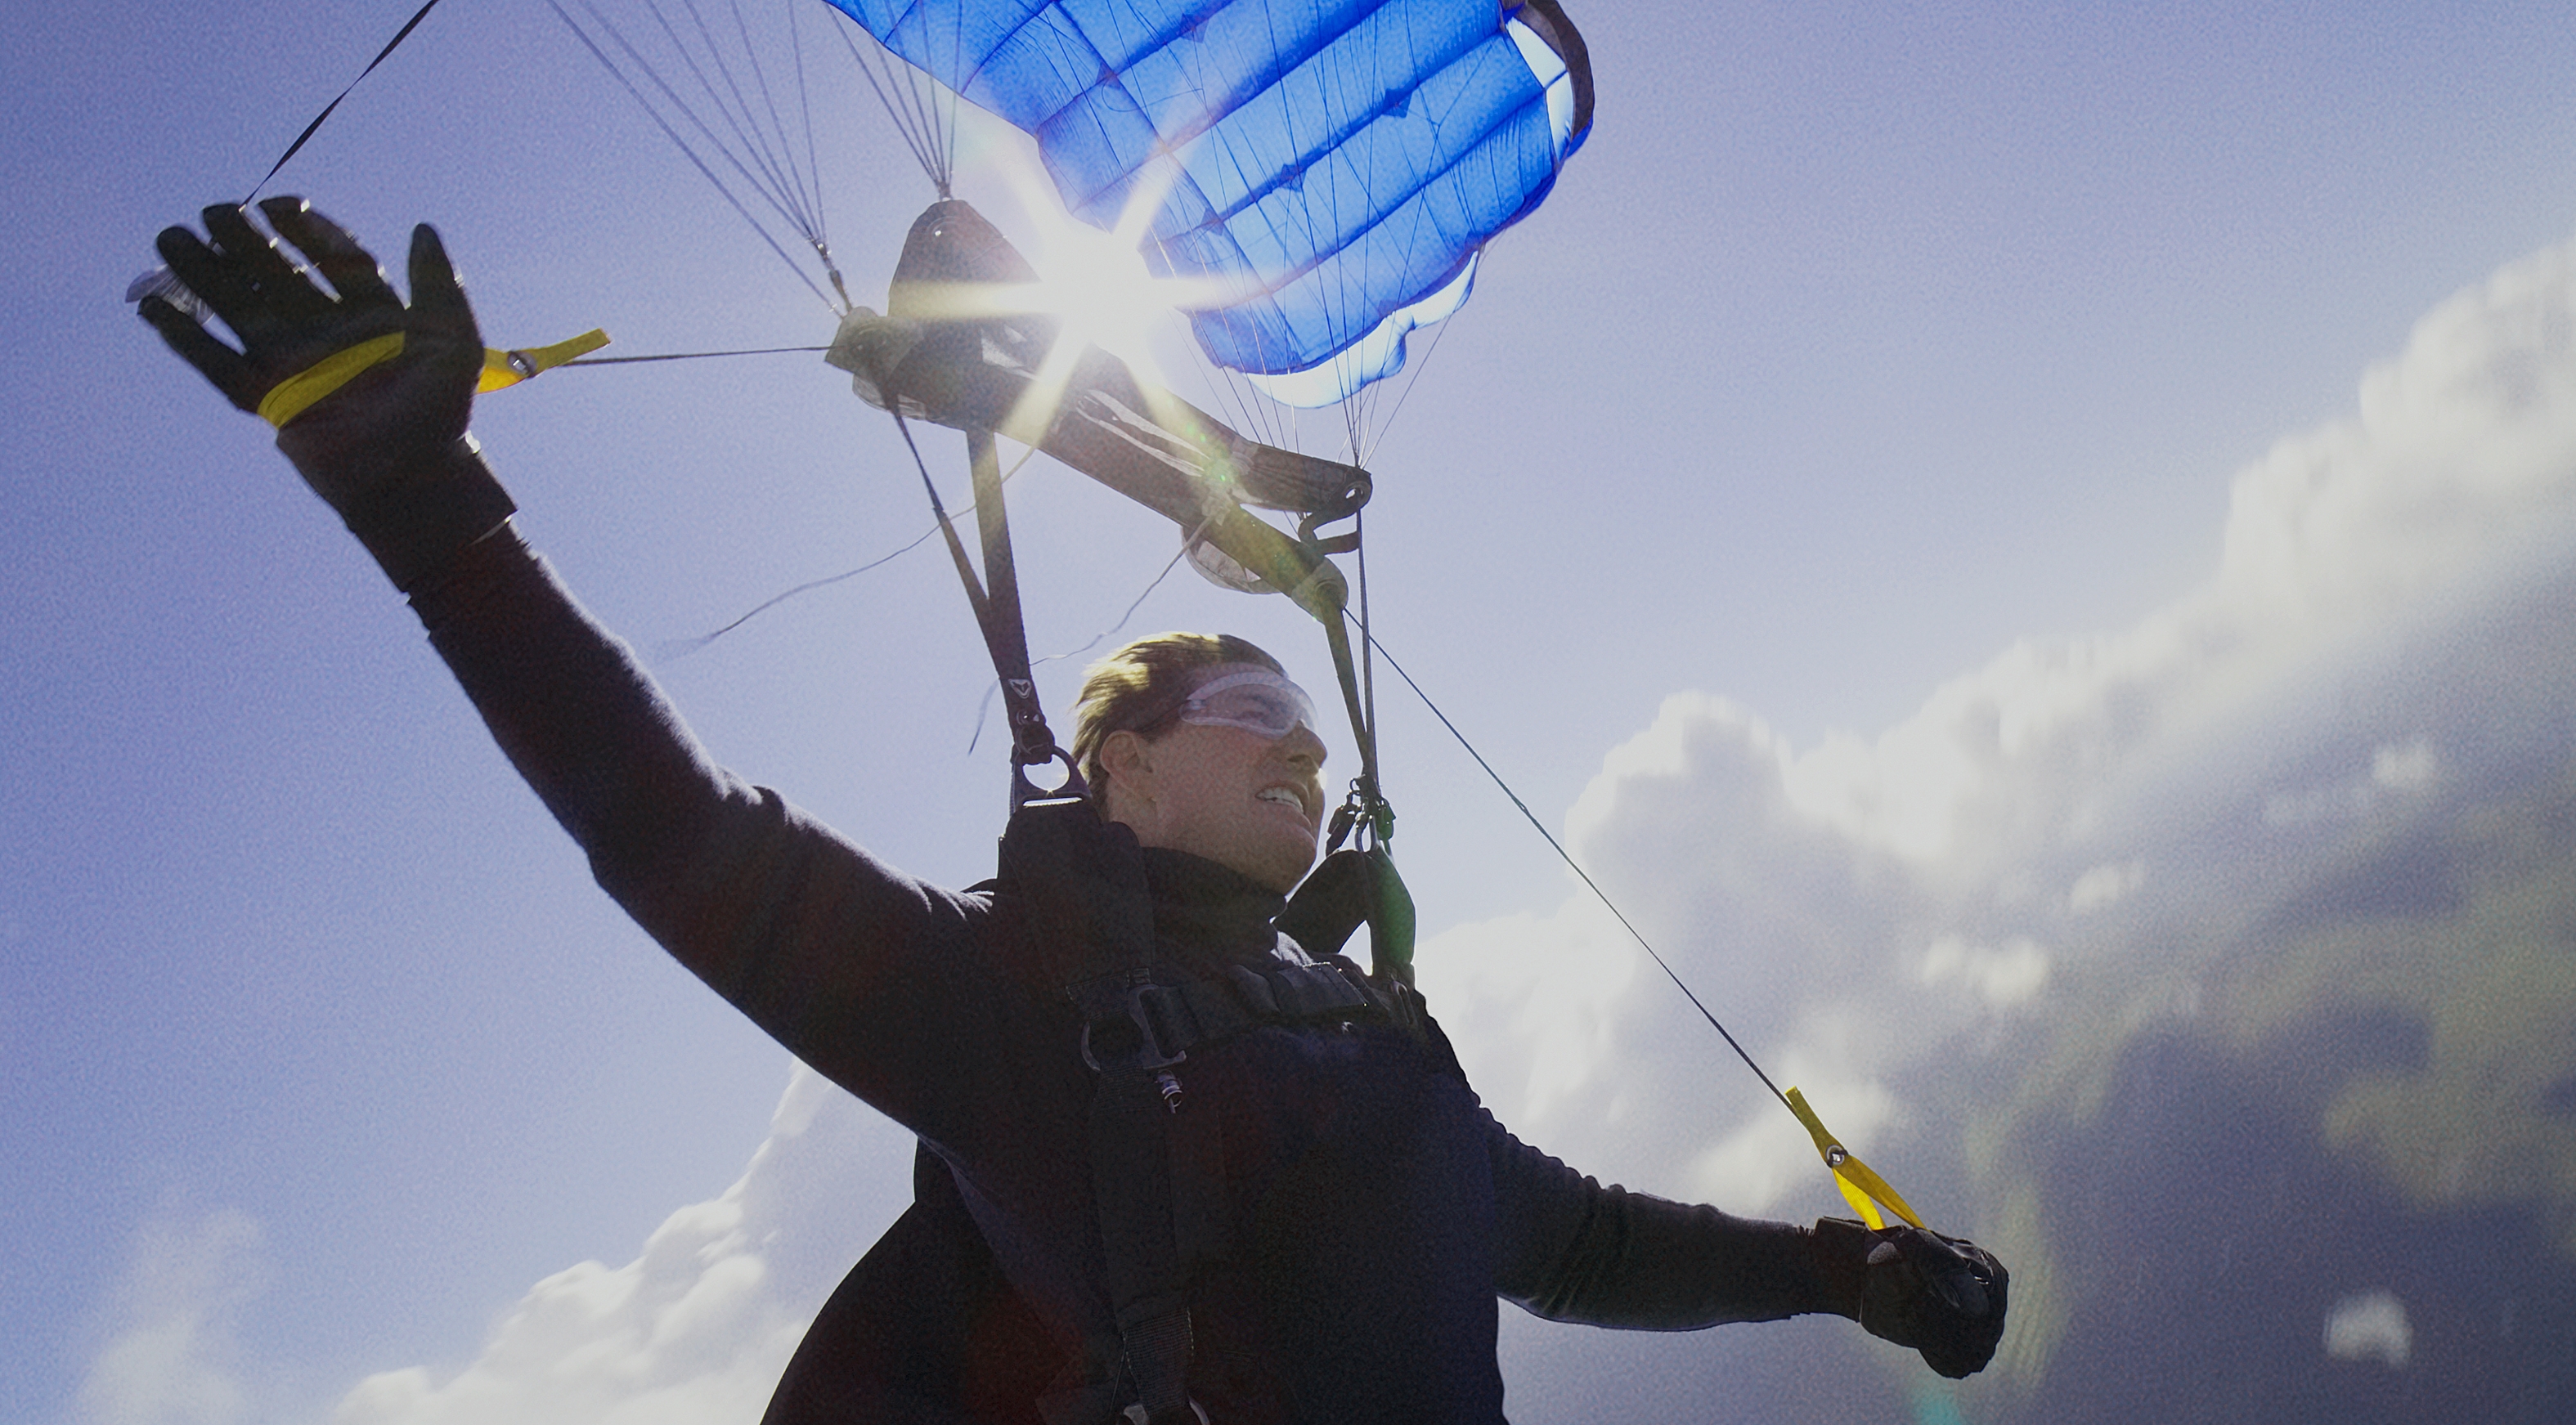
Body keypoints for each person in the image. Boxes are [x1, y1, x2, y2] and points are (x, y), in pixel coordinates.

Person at [140, 199, 2009, 1424]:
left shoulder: (1367, 1029)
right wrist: (429, 513)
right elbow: (685, 841)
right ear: (1123, 768)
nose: (1306, 746)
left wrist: (1848, 1271)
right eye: (1253, 708)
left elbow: (1579, 1243)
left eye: (1307, 721)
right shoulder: (1018, 1007)